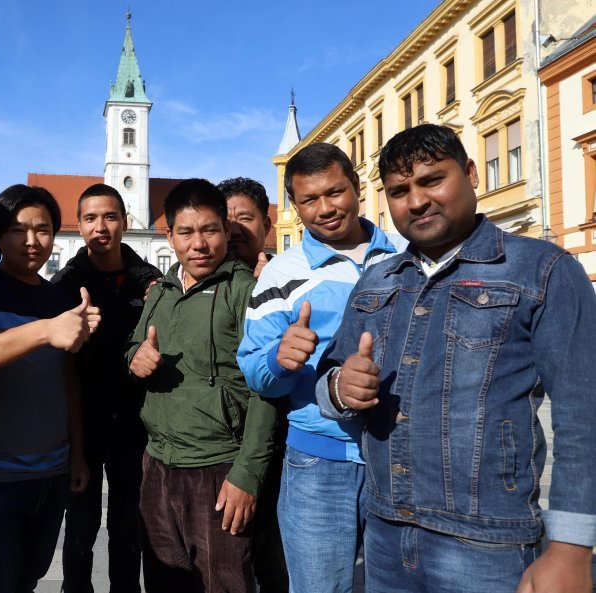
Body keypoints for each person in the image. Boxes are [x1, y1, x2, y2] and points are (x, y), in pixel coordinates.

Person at [317, 123, 596, 592]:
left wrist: (570, 550)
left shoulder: (542, 269)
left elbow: (583, 412)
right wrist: (339, 389)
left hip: (490, 545)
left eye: (432, 180)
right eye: (399, 190)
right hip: (385, 535)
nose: (417, 201)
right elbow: (331, 379)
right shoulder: (377, 281)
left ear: (470, 173)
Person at [237, 144, 406, 593]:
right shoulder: (280, 273)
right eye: (309, 200)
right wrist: (279, 359)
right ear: (294, 205)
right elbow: (253, 371)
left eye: (335, 192)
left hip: (401, 458)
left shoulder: (405, 258)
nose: (325, 209)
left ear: (356, 186)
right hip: (318, 464)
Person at [126, 178, 277, 593]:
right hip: (157, 464)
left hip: (219, 469)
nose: (200, 244)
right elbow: (134, 347)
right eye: (187, 232)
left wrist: (246, 475)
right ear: (169, 235)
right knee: (164, 580)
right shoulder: (162, 291)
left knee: (224, 583)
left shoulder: (247, 292)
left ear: (226, 231)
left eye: (210, 230)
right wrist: (136, 357)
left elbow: (265, 391)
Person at [0, 184, 97, 593]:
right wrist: (48, 330)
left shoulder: (58, 299)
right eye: (18, 230)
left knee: (28, 578)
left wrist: (78, 455)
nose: (32, 241)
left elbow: (68, 382)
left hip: (51, 475)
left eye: (44, 229)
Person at [52, 183, 162, 593]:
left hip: (136, 428)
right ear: (79, 226)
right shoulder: (66, 284)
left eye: (111, 217)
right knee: (79, 527)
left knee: (128, 527)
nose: (102, 226)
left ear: (125, 222)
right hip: (83, 423)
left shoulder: (149, 281)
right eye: (91, 218)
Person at [218, 176, 288, 592]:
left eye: (246, 218)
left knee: (274, 562)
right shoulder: (200, 284)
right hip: (225, 448)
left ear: (267, 224)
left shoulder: (285, 281)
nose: (235, 228)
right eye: (226, 219)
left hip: (280, 447)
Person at [219, 177, 273, 277]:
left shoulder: (286, 276)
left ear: (266, 226)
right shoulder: (193, 279)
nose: (234, 231)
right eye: (226, 221)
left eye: (244, 218)